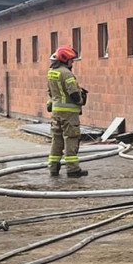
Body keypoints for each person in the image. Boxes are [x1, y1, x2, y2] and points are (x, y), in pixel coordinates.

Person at [46, 46, 88, 178]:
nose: (73, 63)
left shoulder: (51, 72)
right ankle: (72, 169)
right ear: (65, 60)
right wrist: (82, 99)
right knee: (71, 138)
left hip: (56, 112)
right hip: (69, 114)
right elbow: (74, 94)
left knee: (57, 139)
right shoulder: (67, 73)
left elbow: (50, 92)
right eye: (71, 60)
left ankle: (53, 167)